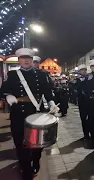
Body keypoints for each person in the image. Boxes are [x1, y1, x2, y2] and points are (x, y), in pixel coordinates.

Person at [0, 48, 59, 180]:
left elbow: (47, 91)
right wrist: (8, 96)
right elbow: (2, 91)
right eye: (23, 58)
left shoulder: (41, 74)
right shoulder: (13, 75)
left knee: (37, 143)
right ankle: (25, 168)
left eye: (29, 58)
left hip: (36, 112)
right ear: (19, 60)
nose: (26, 60)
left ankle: (36, 159)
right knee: (21, 143)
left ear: (32, 60)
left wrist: (51, 103)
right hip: (18, 114)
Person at [75, 64, 90, 141]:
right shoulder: (77, 80)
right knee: (83, 119)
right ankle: (86, 135)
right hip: (82, 102)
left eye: (85, 70)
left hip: (90, 101)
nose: (84, 71)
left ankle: (91, 133)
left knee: (91, 118)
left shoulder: (90, 78)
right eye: (82, 70)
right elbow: (75, 89)